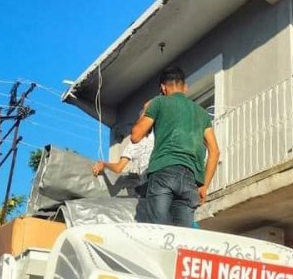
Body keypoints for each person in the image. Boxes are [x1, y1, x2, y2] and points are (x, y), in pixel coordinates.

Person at [130, 65, 219, 227]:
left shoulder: (158, 103)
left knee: (161, 231)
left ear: (163, 88)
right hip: (191, 180)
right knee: (182, 238)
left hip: (164, 171)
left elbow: (135, 136)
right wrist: (204, 186)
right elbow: (214, 152)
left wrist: (145, 109)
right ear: (185, 87)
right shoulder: (201, 113)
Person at [91, 121, 155, 194]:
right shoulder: (133, 144)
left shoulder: (155, 136)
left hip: (156, 179)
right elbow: (118, 168)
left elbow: (118, 168)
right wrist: (104, 164)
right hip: (152, 182)